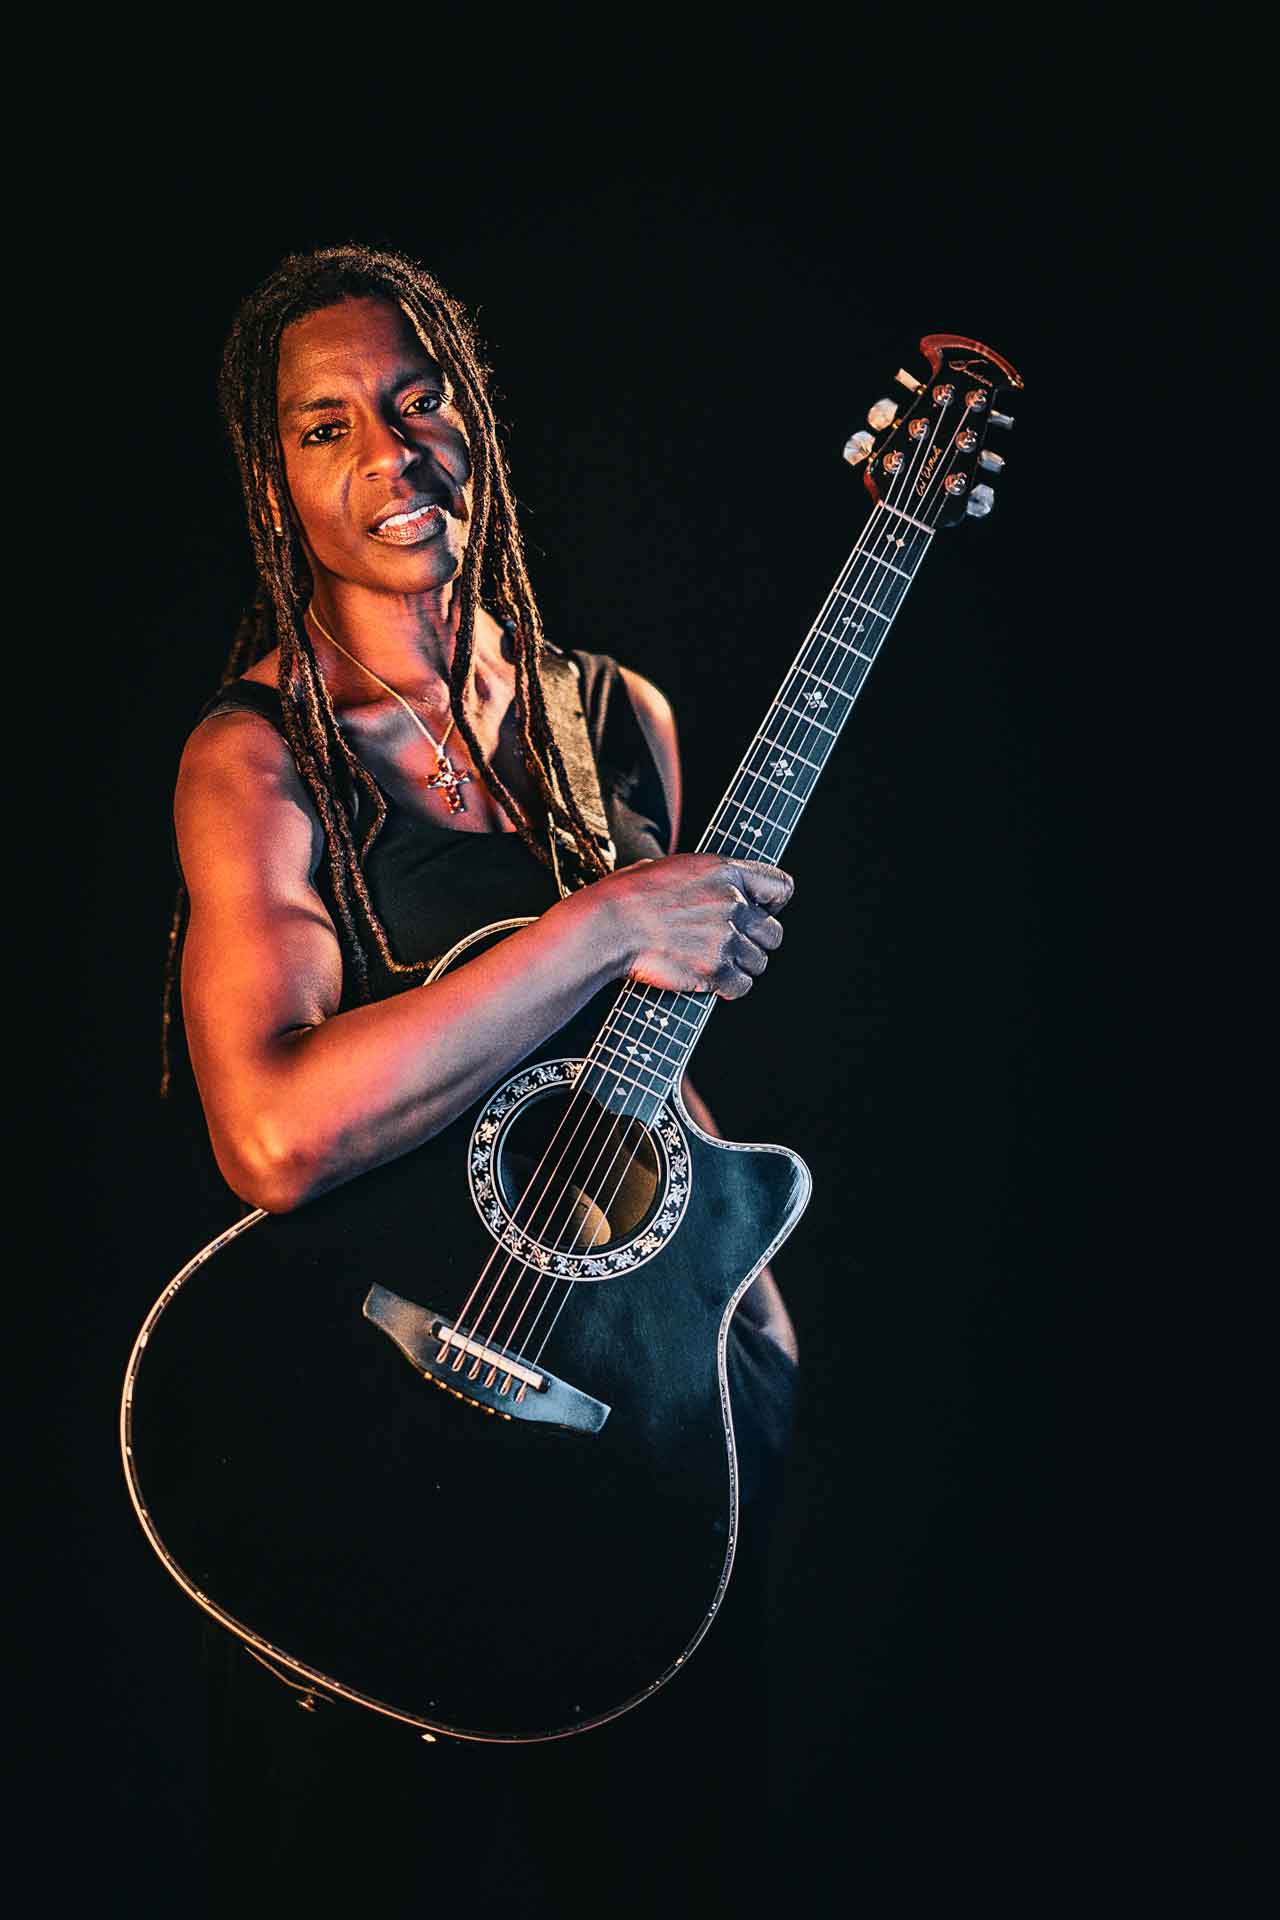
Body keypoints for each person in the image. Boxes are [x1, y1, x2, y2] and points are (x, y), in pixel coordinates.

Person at [166, 244, 799, 1913]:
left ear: (476, 418)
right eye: (324, 426)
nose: (390, 451)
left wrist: (748, 1306)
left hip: (623, 1456)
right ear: (275, 478)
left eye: (417, 395)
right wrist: (599, 926)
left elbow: (630, 1084)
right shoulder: (259, 760)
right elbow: (275, 1133)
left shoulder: (616, 719)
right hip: (366, 1465)